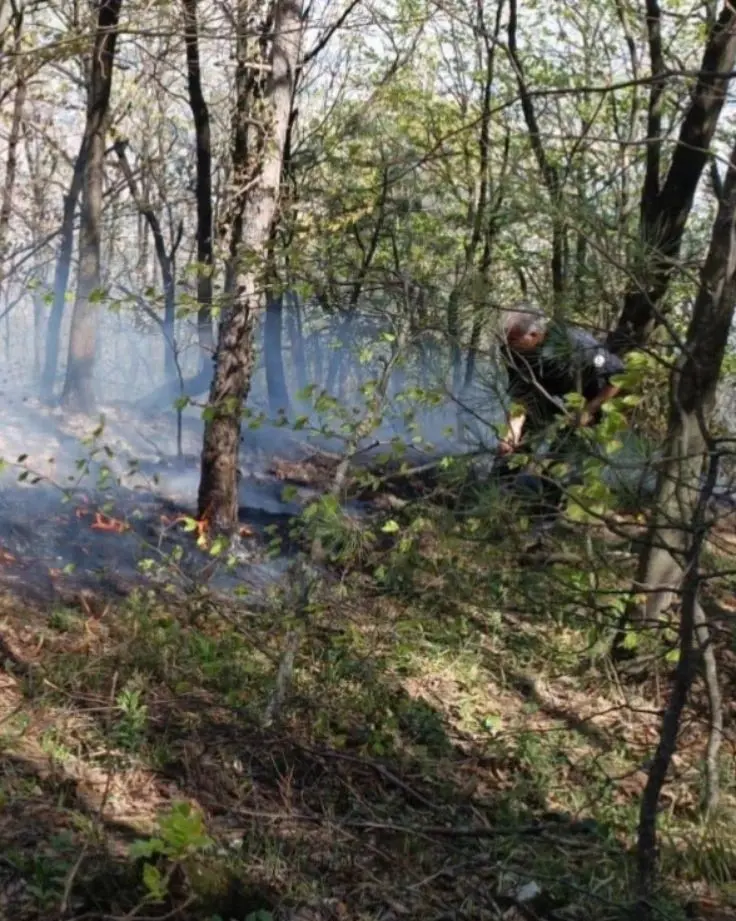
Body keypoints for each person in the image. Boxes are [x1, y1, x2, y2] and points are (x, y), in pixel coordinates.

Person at [495, 306, 625, 509]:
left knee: (561, 462)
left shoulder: (576, 344)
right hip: (544, 399)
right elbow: (521, 396)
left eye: (513, 340)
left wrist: (589, 410)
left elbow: (617, 377)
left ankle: (545, 518)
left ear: (535, 335)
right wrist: (513, 430)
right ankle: (497, 503)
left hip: (588, 403)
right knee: (509, 451)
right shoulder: (511, 352)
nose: (508, 346)